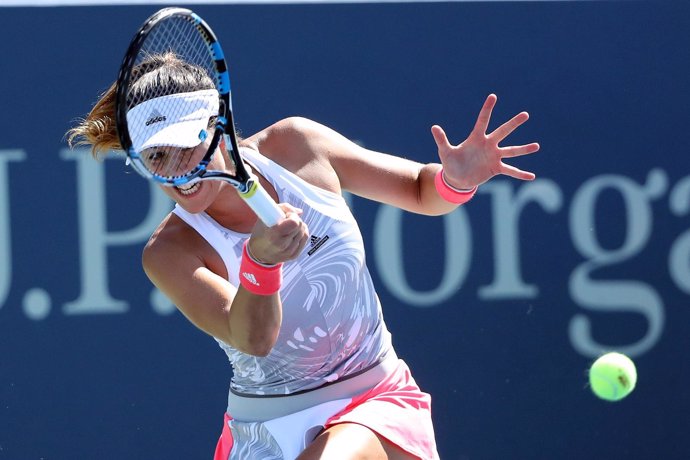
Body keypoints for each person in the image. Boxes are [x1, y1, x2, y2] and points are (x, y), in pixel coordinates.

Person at [67, 53, 539, 460]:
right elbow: (251, 337)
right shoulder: (169, 252)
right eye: (156, 158)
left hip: (375, 398)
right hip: (263, 434)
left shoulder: (298, 145)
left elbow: (421, 191)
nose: (176, 175)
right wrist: (261, 262)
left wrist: (455, 181)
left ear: (218, 124)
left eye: (186, 149)